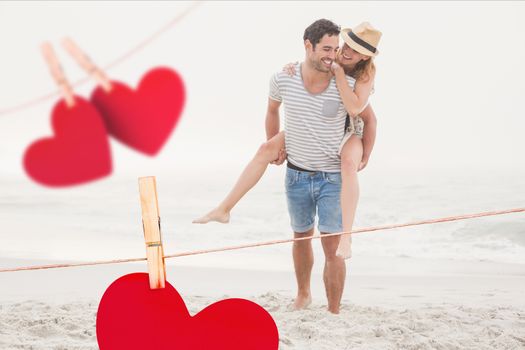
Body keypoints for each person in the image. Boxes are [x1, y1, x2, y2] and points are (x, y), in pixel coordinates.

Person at [195, 19, 380, 313]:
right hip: (297, 173)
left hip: (337, 162)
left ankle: (334, 309)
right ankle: (225, 209)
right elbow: (272, 109)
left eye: (340, 49)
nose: (337, 54)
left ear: (365, 57)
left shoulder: (356, 80)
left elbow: (365, 116)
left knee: (333, 246)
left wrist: (366, 154)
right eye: (330, 48)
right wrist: (276, 146)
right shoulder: (287, 75)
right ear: (309, 46)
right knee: (299, 232)